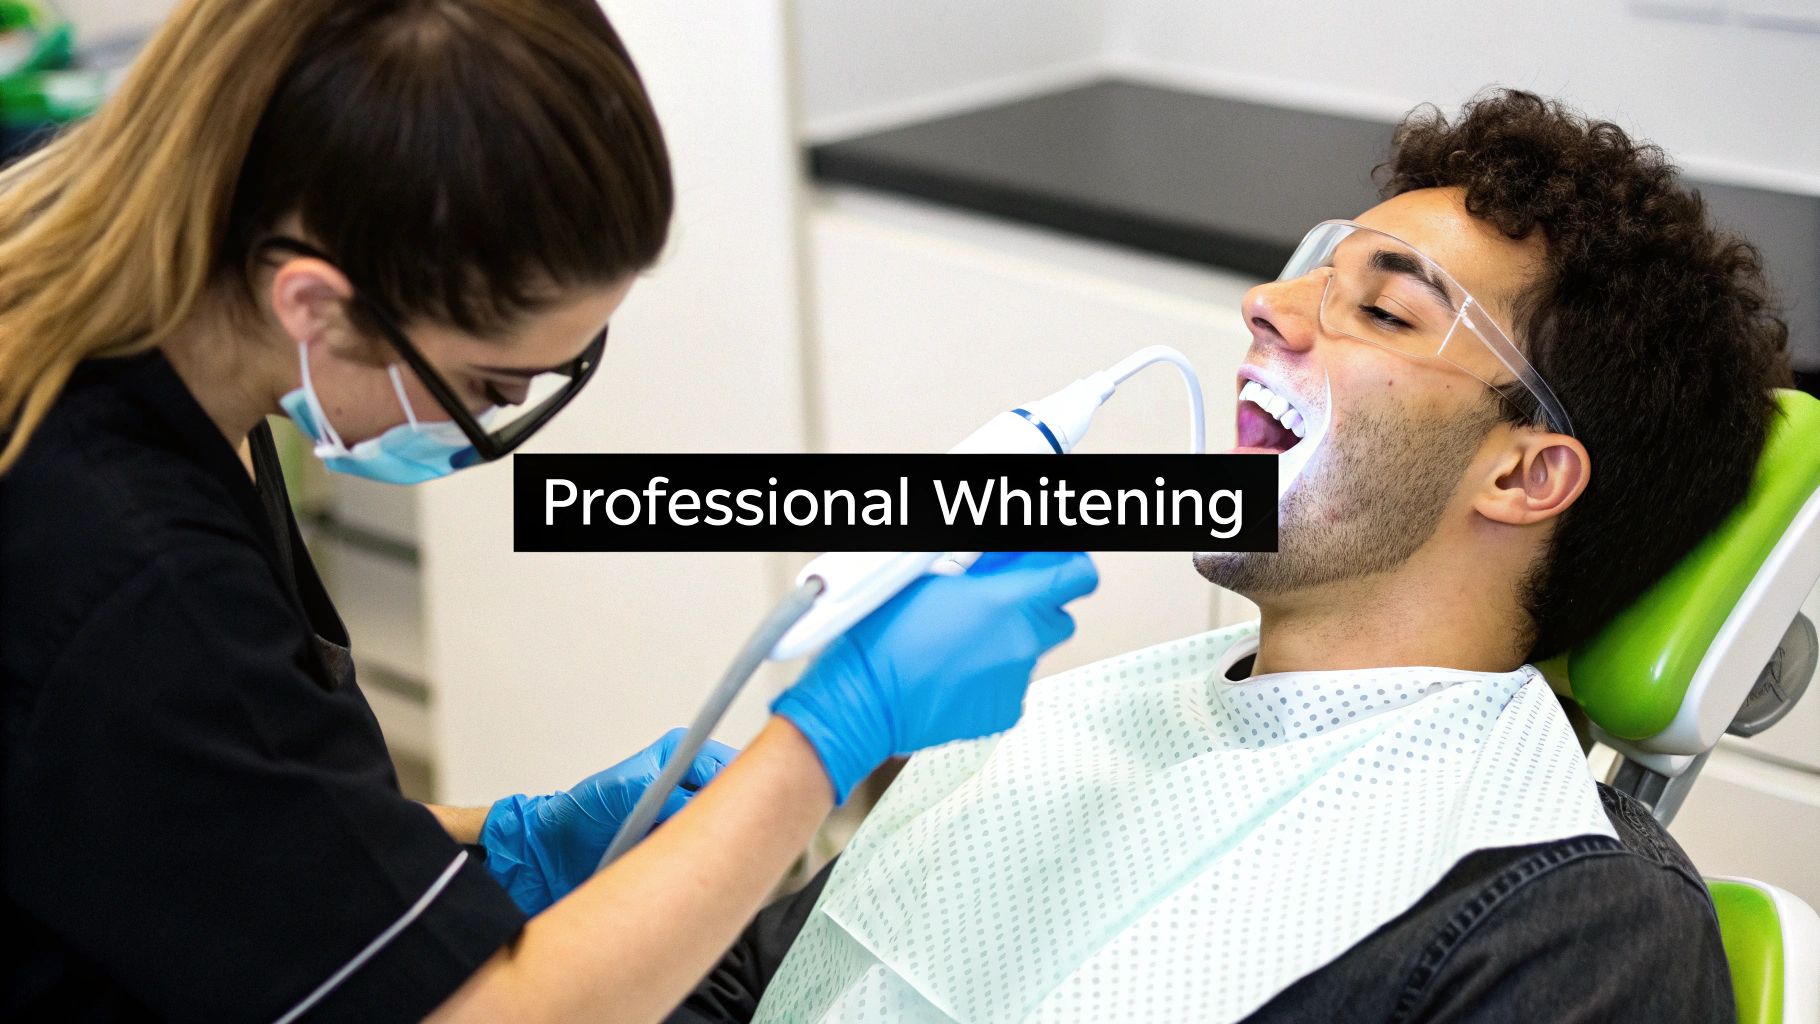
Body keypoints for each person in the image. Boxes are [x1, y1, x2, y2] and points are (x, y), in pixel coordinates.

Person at [0, 2, 1098, 1021]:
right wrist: (826, 737)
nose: (497, 420)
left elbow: (203, 825)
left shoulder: (163, 359)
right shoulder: (122, 562)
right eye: (491, 386)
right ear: (314, 304)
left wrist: (498, 845)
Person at [670, 90, 1792, 1023]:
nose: (1263, 308)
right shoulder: (1049, 724)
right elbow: (746, 990)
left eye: (1385, 312)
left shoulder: (1571, 924)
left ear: (1521, 475)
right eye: (1313, 273)